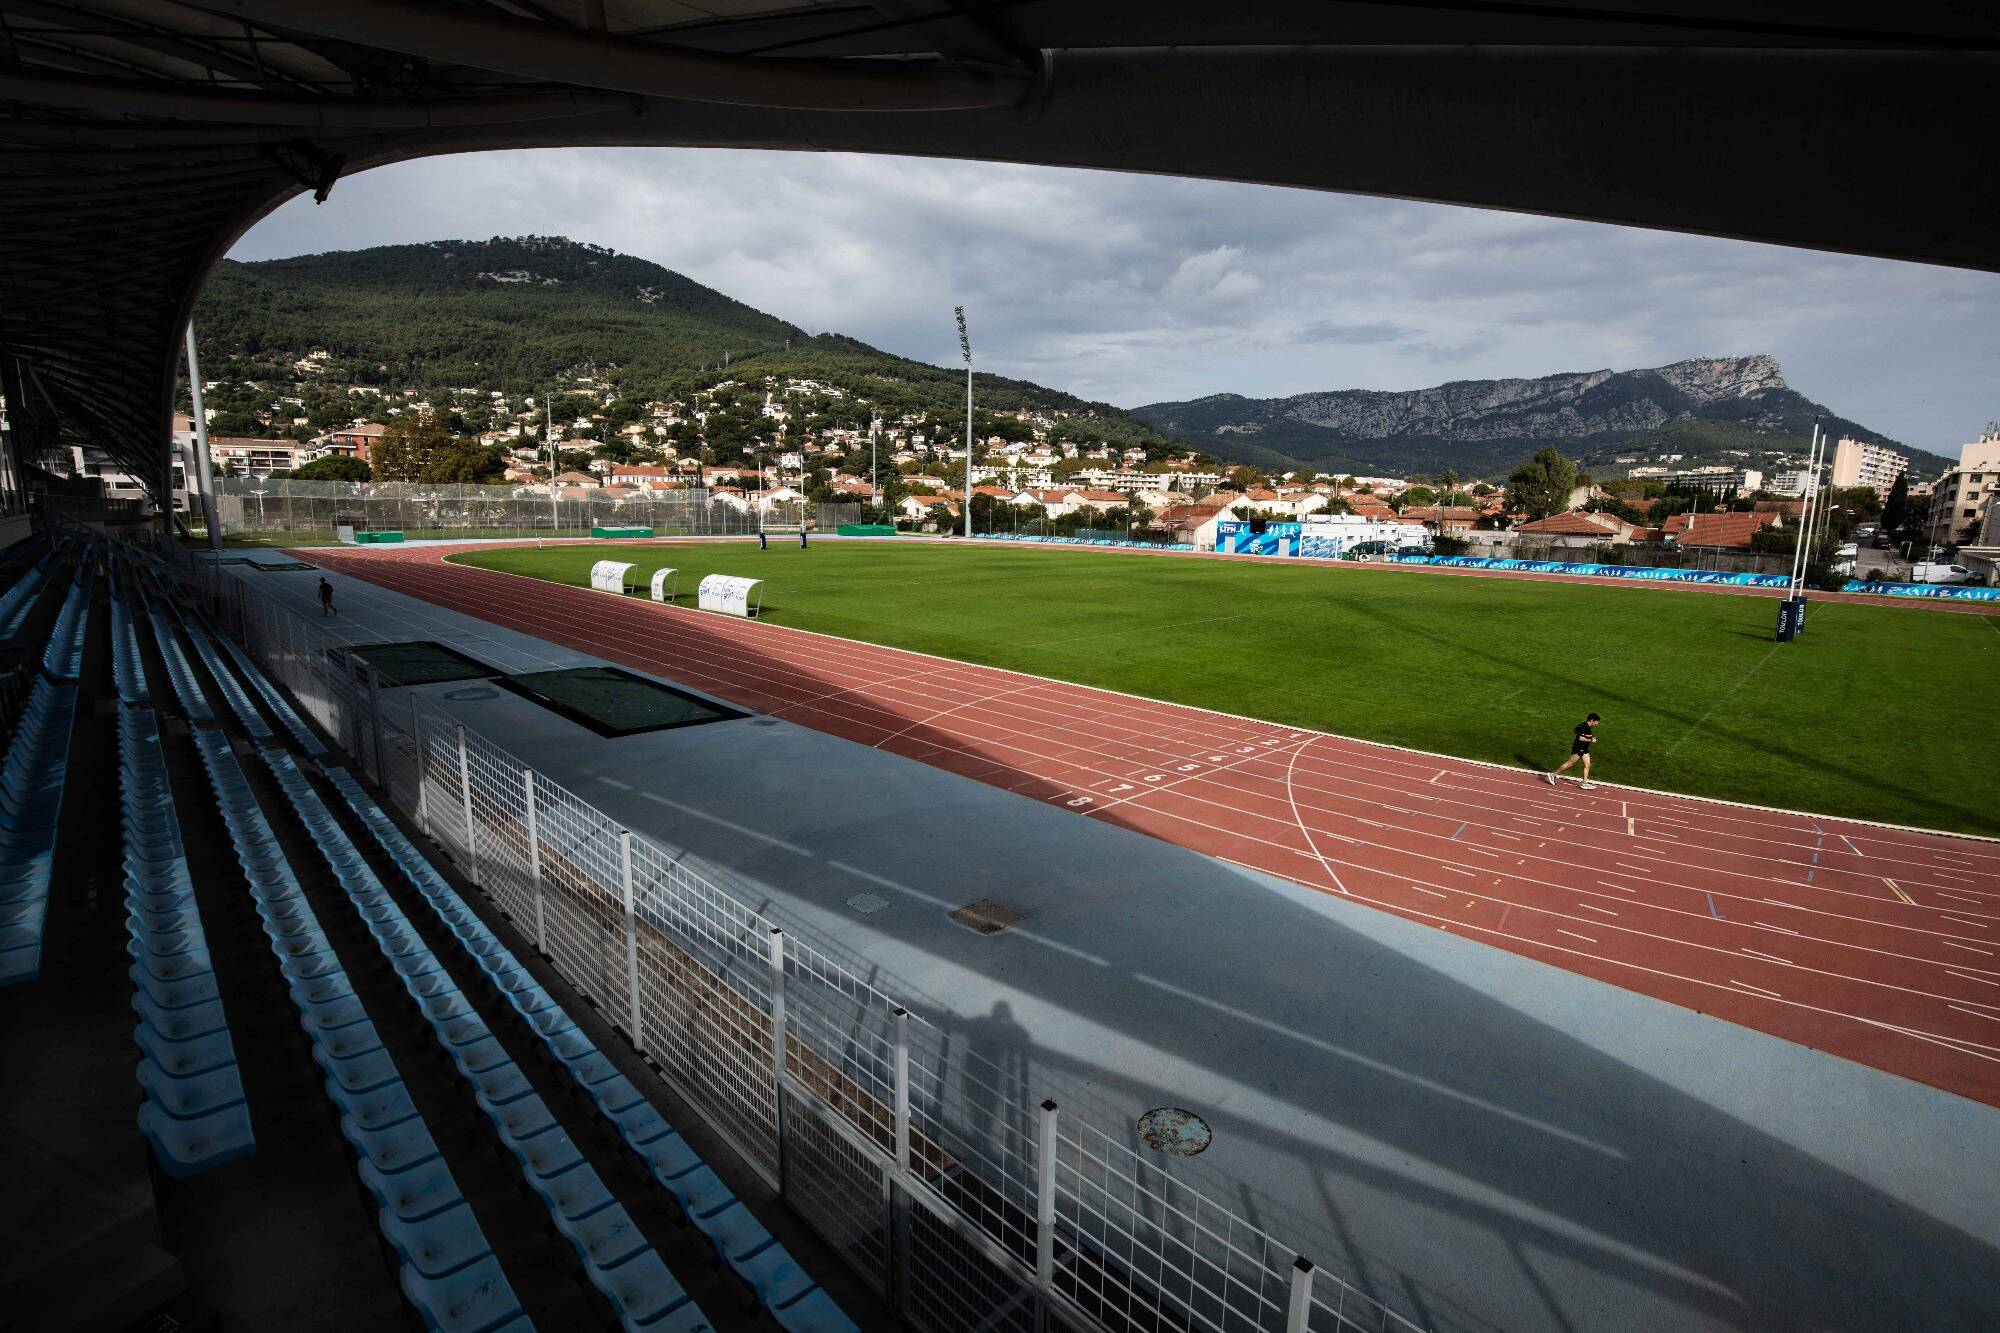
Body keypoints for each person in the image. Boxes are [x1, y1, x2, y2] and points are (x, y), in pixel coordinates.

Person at [1546, 713, 1599, 789]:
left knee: (1587, 764)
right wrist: (1591, 739)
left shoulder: (1582, 724)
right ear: (1592, 720)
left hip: (1584, 748)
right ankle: (1553, 775)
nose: (1597, 724)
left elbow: (1575, 731)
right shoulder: (1585, 727)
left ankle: (1584, 783)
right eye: (1596, 722)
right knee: (1570, 763)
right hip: (1579, 748)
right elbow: (1580, 738)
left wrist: (1586, 736)